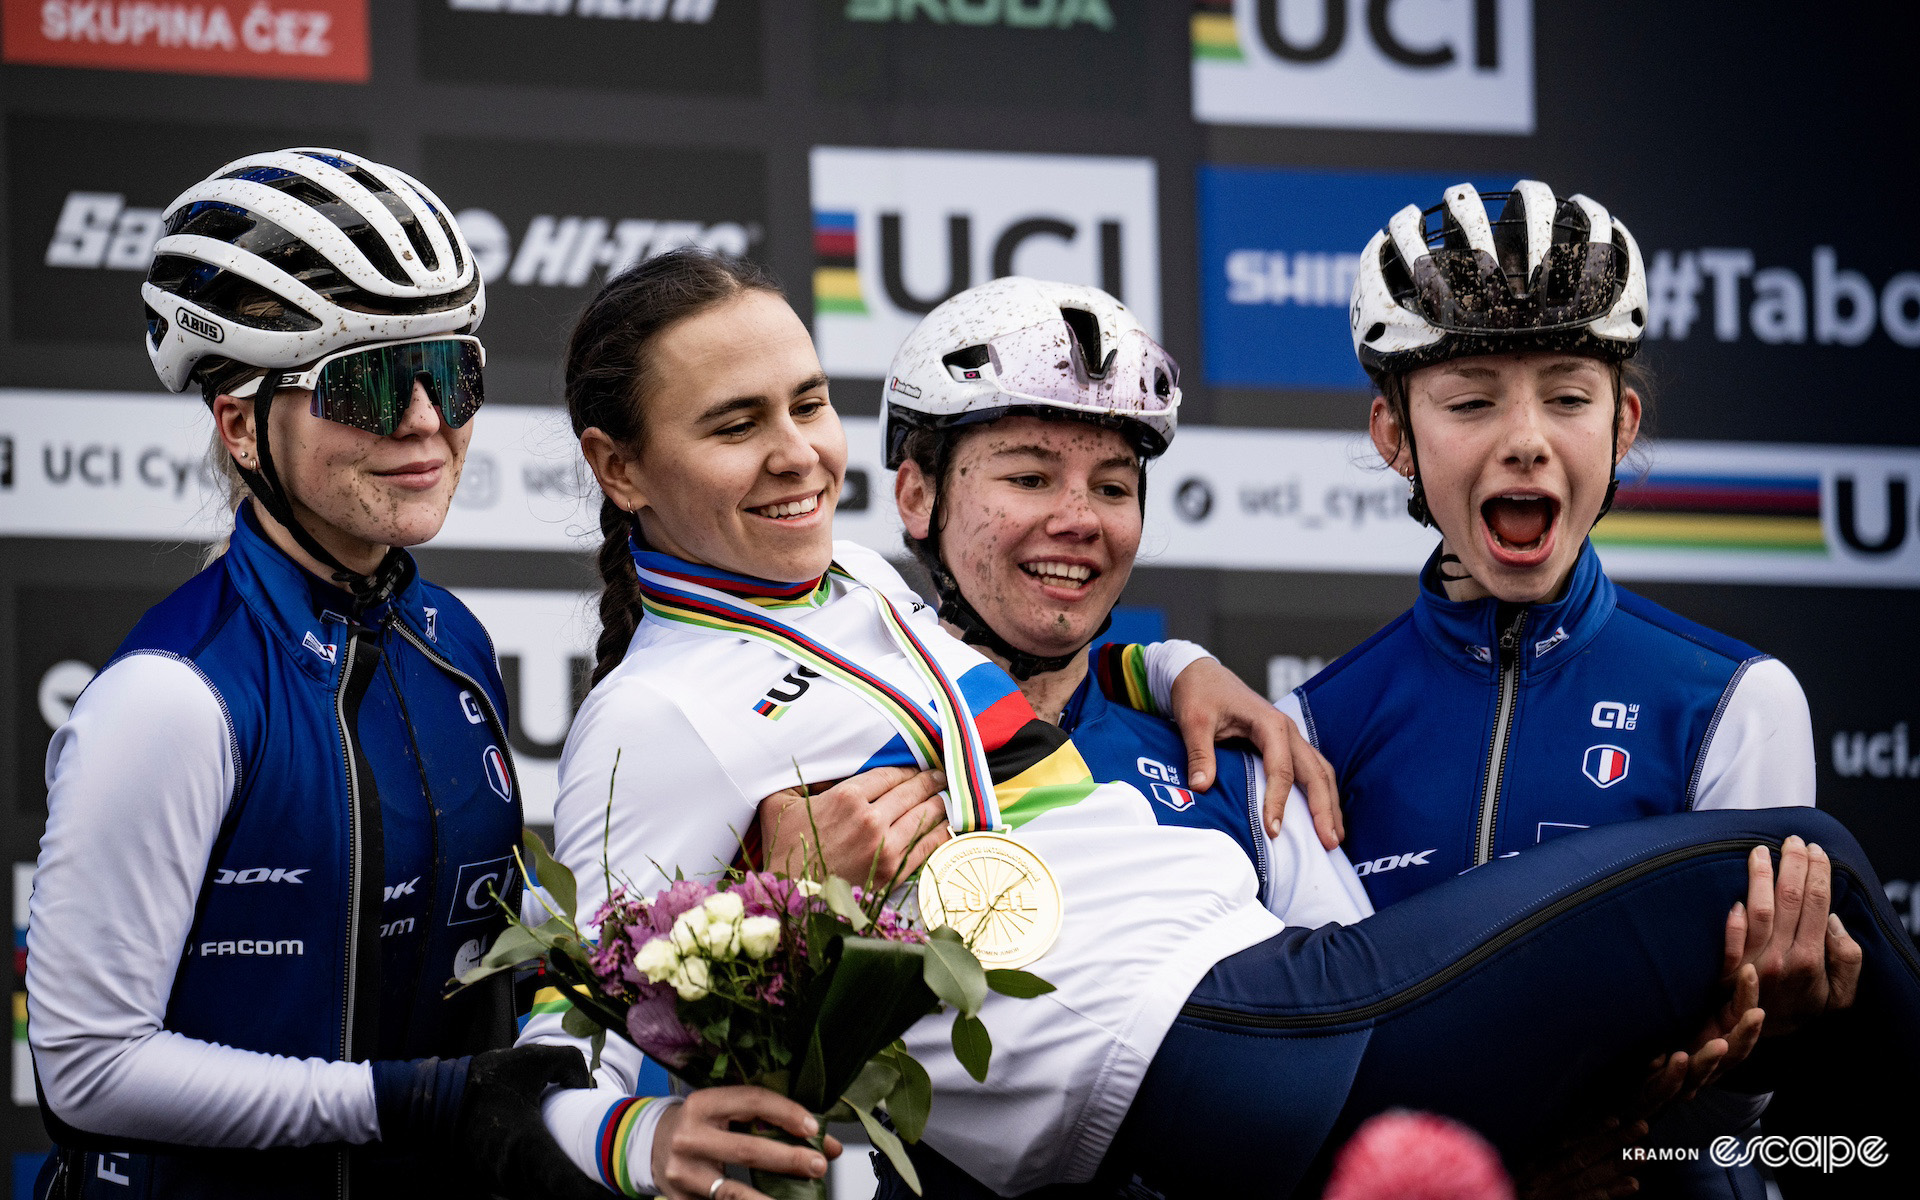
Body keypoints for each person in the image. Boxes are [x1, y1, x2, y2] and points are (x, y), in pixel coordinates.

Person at [527, 249, 1916, 1199]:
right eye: (733, 425)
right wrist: (649, 1128)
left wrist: (1171, 664)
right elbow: (561, 1034)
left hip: (1276, 998)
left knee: (1679, 1049)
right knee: (1810, 863)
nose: (794, 453)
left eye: (808, 404)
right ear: (619, 465)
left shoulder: (860, 594)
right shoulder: (654, 713)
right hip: (1220, 1038)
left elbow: (1027, 657)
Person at [27, 148, 602, 1200]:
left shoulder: (452, 641)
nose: (428, 422)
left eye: (452, 370)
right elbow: (86, 1069)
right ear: (241, 424)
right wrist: (417, 1101)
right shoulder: (172, 699)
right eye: (372, 383)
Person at [1289, 179, 1815, 910]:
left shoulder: (1738, 706)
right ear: (1394, 437)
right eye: (1471, 402)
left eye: (1568, 399)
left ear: (1622, 427)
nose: (1526, 442)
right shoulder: (1305, 731)